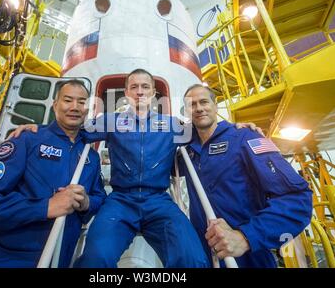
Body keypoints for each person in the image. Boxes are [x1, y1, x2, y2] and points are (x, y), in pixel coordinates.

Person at [12, 69, 210, 267]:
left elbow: (206, 130)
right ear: (126, 93)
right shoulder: (110, 121)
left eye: (145, 87)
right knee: (95, 259)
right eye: (134, 87)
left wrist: (233, 128)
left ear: (153, 93)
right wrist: (40, 129)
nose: (139, 92)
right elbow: (74, 128)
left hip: (158, 201)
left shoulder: (172, 125)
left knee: (192, 259)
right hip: (121, 201)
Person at [0, 80, 106, 268]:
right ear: (55, 105)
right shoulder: (27, 139)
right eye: (68, 100)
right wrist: (45, 207)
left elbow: (100, 198)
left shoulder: (89, 155)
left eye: (81, 102)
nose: (75, 107)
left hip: (62, 259)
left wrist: (86, 202)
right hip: (11, 260)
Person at [179, 84, 313, 268]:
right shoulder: (187, 149)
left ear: (215, 105)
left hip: (249, 256)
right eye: (192, 105)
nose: (199, 108)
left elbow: (297, 198)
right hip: (206, 256)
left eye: (204, 102)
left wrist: (245, 237)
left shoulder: (244, 137)